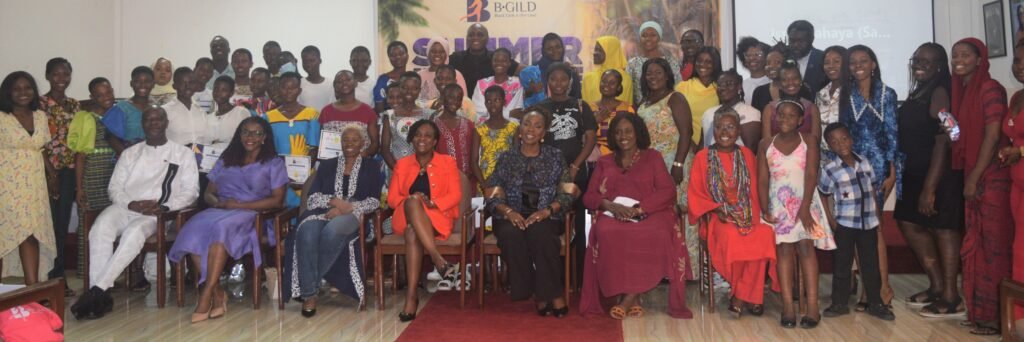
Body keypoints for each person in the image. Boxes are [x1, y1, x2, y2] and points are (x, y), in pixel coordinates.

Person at [70, 107, 199, 320]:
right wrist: (132, 204)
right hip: (126, 207)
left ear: (166, 123)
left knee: (133, 233)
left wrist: (164, 207)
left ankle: (97, 292)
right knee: (99, 229)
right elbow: (114, 188)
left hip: (157, 214)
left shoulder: (182, 154)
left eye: (158, 119)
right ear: (143, 124)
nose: (154, 123)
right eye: (148, 119)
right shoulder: (130, 153)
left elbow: (191, 192)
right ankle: (99, 292)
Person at [169, 116, 286, 323]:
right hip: (220, 210)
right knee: (192, 229)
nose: (250, 137)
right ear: (239, 135)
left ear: (264, 138)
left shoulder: (273, 163)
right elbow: (208, 193)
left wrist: (240, 206)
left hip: (253, 215)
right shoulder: (226, 158)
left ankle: (206, 296)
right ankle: (217, 292)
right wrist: (218, 203)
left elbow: (277, 201)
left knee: (220, 230)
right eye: (245, 132)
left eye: (256, 133)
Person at [580, 113, 692, 319]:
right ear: (612, 135)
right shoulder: (604, 161)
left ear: (638, 133)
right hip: (614, 213)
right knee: (606, 231)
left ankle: (629, 297)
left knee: (656, 232)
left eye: (628, 131)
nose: (623, 136)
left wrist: (640, 208)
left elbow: (668, 191)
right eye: (618, 132)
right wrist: (609, 205)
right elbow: (589, 197)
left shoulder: (653, 157)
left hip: (650, 212)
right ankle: (633, 295)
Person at [893, 43, 965, 318]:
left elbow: (949, 136)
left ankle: (951, 297)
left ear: (939, 65)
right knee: (909, 222)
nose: (920, 64)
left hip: (938, 175)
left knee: (943, 229)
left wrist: (930, 187)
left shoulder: (939, 91)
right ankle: (936, 287)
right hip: (914, 172)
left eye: (927, 60)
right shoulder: (921, 89)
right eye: (917, 59)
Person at [283, 124, 382, 317]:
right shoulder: (327, 165)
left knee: (333, 230)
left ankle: (308, 288)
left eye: (354, 140)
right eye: (345, 140)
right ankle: (310, 292)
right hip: (323, 210)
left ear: (363, 143)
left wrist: (348, 207)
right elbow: (312, 198)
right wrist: (334, 202)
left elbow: (374, 200)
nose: (349, 144)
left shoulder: (372, 166)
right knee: (306, 231)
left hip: (355, 214)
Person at [950, 38, 1013, 336]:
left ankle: (999, 317)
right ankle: (979, 313)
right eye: (955, 56)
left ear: (980, 60)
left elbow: (992, 134)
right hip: (974, 176)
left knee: (993, 249)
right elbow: (961, 136)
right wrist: (949, 128)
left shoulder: (990, 88)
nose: (958, 60)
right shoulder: (962, 91)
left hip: (991, 179)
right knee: (975, 248)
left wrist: (974, 177)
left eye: (965, 55)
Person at [687, 110, 775, 320]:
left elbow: (755, 190)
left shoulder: (746, 154)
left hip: (747, 214)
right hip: (718, 218)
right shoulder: (702, 157)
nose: (724, 132)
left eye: (730, 127)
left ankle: (740, 296)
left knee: (762, 235)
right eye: (719, 127)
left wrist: (754, 215)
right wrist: (719, 209)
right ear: (713, 130)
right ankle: (751, 297)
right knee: (733, 237)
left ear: (738, 130)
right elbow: (696, 194)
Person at [486, 108, 573, 317]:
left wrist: (547, 211)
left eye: (537, 126)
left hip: (546, 215)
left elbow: (568, 193)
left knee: (541, 235)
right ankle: (542, 292)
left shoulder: (555, 156)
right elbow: (492, 192)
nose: (530, 129)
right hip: (510, 215)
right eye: (526, 124)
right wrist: (508, 211)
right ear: (520, 128)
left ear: (544, 133)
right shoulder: (507, 157)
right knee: (510, 235)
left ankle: (547, 294)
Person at [758, 99, 835, 328]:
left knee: (806, 250)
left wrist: (803, 208)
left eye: (791, 116)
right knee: (784, 252)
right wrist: (765, 209)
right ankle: (788, 308)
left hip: (805, 204)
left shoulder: (809, 140)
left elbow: (811, 174)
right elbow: (763, 179)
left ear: (801, 120)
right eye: (781, 115)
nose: (785, 119)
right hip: (778, 206)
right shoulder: (765, 144)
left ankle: (812, 307)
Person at [839, 45, 899, 311]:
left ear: (873, 63)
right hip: (854, 169)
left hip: (878, 169)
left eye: (863, 61)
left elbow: (893, 135)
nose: (858, 65)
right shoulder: (847, 94)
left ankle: (881, 288)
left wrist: (893, 171)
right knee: (856, 231)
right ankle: (868, 290)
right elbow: (844, 134)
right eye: (852, 62)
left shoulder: (888, 94)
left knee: (875, 231)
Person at [819, 123, 896, 322]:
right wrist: (830, 220)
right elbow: (822, 193)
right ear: (829, 146)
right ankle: (839, 303)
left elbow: (871, 190)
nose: (841, 144)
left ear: (851, 139)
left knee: (870, 265)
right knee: (842, 265)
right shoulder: (829, 169)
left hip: (868, 223)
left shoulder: (864, 162)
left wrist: (878, 215)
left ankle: (876, 303)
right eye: (834, 142)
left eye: (844, 138)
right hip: (844, 224)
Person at [387, 120, 462, 322]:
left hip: (437, 217)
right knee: (412, 201)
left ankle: (411, 297)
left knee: (413, 232)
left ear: (435, 141)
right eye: (418, 134)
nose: (422, 139)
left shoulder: (447, 162)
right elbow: (393, 200)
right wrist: (417, 201)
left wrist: (432, 203)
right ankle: (438, 259)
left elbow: (455, 195)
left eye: (428, 135)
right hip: (405, 216)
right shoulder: (402, 164)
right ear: (411, 138)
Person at [537, 62, 597, 282]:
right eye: (554, 79)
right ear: (548, 82)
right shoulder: (541, 107)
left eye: (563, 79)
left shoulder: (581, 106)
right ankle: (556, 275)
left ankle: (580, 276)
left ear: (570, 82)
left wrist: (574, 166)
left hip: (576, 175)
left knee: (579, 224)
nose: (559, 83)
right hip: (548, 177)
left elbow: (590, 139)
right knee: (551, 224)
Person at [636, 57, 696, 275]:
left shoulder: (676, 98)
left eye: (658, 72)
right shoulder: (643, 103)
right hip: (653, 167)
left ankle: (687, 271)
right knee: (660, 217)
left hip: (676, 163)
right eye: (649, 73)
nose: (653, 77)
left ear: (667, 75)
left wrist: (678, 163)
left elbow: (686, 133)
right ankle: (664, 270)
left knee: (681, 214)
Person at [0, 71, 57, 287]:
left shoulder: (40, 116)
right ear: (8, 92)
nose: (23, 93)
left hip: (34, 184)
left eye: (27, 88)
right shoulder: (1, 117)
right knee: (4, 235)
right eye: (17, 89)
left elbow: (39, 149)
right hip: (6, 184)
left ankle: (32, 289)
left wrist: (52, 174)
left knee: (32, 233)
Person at [68, 77, 117, 285]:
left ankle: (109, 275)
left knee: (109, 227)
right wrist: (79, 188)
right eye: (99, 95)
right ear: (92, 98)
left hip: (113, 177)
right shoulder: (85, 118)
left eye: (108, 93)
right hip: (92, 176)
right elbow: (80, 155)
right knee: (88, 226)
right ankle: (87, 274)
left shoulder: (117, 116)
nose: (105, 98)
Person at [38, 57, 79, 293]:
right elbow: (37, 140)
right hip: (46, 171)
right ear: (47, 76)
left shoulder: (74, 105)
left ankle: (58, 276)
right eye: (56, 74)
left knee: (61, 224)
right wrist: (51, 172)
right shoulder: (39, 104)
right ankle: (50, 278)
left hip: (69, 172)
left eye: (65, 74)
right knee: (49, 224)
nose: (61, 79)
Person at [265, 72, 320, 208]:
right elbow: (268, 150)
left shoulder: (312, 114)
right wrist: (283, 176)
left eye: (293, 88)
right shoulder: (267, 117)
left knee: (304, 213)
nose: (288, 91)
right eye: (284, 87)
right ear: (279, 90)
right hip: (279, 176)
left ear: (299, 90)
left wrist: (301, 175)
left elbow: (314, 148)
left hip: (306, 177)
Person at [1003, 39, 1024, 324]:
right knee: (1019, 249)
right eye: (1017, 61)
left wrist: (1018, 151)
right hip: (1017, 183)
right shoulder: (1017, 97)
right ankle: (1018, 318)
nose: (1020, 66)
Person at [320, 70, 380, 157]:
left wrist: (360, 157)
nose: (344, 83)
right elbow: (321, 143)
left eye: (348, 80)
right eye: (339, 81)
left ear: (355, 83)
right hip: (333, 164)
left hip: (361, 164)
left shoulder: (367, 111)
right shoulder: (326, 111)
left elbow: (375, 143)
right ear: (335, 86)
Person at [434, 84, 482, 193]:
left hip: (468, 181)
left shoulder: (469, 124)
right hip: (443, 182)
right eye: (450, 97)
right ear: (443, 98)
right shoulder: (434, 125)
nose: (454, 101)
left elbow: (474, 154)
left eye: (458, 98)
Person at [449, 23, 521, 96]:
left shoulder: (496, 59)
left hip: (491, 105)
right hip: (463, 105)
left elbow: (525, 70)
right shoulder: (456, 58)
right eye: (471, 35)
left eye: (480, 35)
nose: (475, 37)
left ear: (487, 38)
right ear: (467, 38)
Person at [760, 60, 822, 141]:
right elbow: (766, 143)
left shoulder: (812, 109)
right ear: (779, 83)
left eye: (795, 78)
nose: (790, 83)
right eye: (785, 80)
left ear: (801, 80)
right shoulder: (769, 109)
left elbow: (815, 142)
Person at [700, 69, 761, 148]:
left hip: (737, 159)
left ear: (739, 87)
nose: (723, 88)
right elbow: (702, 145)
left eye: (729, 84)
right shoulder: (708, 113)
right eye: (720, 85)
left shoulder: (749, 113)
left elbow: (750, 148)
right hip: (707, 158)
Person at [676, 46, 722, 148]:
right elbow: (675, 120)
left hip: (717, 146)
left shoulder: (721, 88)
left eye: (708, 61)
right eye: (699, 61)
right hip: (687, 146)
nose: (702, 65)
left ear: (715, 64)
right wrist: (691, 144)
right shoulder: (682, 87)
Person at [627, 21, 682, 106]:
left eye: (653, 35)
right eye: (644, 36)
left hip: (666, 111)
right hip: (640, 111)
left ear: (660, 37)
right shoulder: (632, 64)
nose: (648, 39)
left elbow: (677, 87)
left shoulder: (671, 62)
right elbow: (629, 91)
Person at [102, 66, 155, 152]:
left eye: (147, 81)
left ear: (153, 84)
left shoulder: (156, 108)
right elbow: (110, 137)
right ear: (131, 83)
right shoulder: (121, 108)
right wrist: (129, 157)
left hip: (153, 157)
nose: (142, 85)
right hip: (128, 158)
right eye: (138, 81)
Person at [520, 33, 580, 105]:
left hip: (565, 114)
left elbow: (577, 98)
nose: (555, 51)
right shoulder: (534, 71)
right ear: (543, 51)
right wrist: (530, 90)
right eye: (550, 49)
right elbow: (524, 96)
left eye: (558, 47)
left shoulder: (569, 70)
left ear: (563, 48)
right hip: (539, 113)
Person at [381, 83, 431, 170]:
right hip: (394, 166)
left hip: (419, 168)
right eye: (391, 97)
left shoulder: (422, 115)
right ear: (386, 99)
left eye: (399, 97)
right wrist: (398, 170)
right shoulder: (388, 116)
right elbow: (384, 148)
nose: (395, 101)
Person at [751, 44, 814, 112]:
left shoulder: (802, 90)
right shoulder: (759, 92)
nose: (771, 66)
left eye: (777, 62)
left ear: (787, 64)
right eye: (768, 62)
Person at [476, 85, 519, 183]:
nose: (492, 104)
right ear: (485, 104)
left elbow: (517, 158)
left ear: (504, 102)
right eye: (488, 101)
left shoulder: (513, 128)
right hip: (486, 179)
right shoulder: (479, 129)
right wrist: (483, 184)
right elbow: (474, 161)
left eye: (497, 100)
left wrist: (512, 180)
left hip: (507, 180)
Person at [589, 70, 635, 157]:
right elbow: (581, 135)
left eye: (612, 83)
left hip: (621, 156)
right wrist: (594, 121)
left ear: (618, 87)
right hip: (595, 158)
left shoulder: (627, 108)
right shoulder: (588, 108)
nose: (606, 85)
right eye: (604, 81)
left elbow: (633, 135)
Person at [471, 48, 524, 122]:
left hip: (510, 130)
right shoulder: (481, 84)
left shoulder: (517, 84)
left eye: (504, 61)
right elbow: (479, 113)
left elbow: (516, 114)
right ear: (491, 63)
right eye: (496, 60)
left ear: (509, 63)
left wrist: (491, 112)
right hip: (485, 129)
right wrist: (508, 113)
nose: (499, 63)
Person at [582, 35, 633, 106]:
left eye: (599, 50)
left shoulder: (625, 79)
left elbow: (626, 108)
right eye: (595, 49)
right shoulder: (588, 78)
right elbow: (585, 108)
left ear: (611, 51)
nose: (594, 53)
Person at [162, 67, 205, 146]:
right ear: (174, 86)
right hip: (175, 157)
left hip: (200, 157)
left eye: (191, 83)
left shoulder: (200, 110)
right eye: (182, 83)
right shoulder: (165, 111)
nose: (187, 86)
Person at [816, 46, 847, 154]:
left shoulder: (854, 92)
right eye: (827, 62)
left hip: (847, 154)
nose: (831, 66)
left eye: (837, 61)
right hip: (823, 156)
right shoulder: (820, 93)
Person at [418, 37, 467, 106]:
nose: (437, 54)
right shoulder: (419, 75)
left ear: (446, 54)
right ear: (427, 53)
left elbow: (464, 101)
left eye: (441, 52)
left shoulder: (456, 74)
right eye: (433, 51)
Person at [205, 76, 252, 147]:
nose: (218, 93)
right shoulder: (209, 117)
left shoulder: (241, 112)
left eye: (224, 90)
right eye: (216, 89)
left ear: (231, 93)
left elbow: (248, 137)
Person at [788, 20, 827, 93]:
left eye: (801, 41)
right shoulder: (783, 57)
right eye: (792, 41)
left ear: (812, 39)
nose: (795, 45)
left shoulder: (823, 59)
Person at [374, 41, 410, 113]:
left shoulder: (412, 78)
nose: (398, 57)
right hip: (389, 121)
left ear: (407, 56)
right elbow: (380, 111)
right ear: (389, 58)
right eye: (393, 55)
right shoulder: (383, 80)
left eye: (401, 54)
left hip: (411, 120)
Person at [299, 45, 335, 111]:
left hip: (327, 121)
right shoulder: (299, 84)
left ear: (320, 61)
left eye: (312, 61)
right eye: (305, 61)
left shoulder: (331, 84)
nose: (308, 64)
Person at [737, 37, 771, 104]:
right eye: (748, 55)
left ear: (767, 57)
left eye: (757, 54)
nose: (752, 58)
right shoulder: (741, 85)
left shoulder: (773, 83)